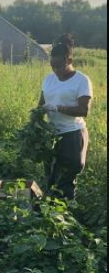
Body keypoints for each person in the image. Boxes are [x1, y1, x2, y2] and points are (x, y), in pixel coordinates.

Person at [38, 34, 93, 200]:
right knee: (51, 177)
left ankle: (65, 215)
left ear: (69, 60)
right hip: (51, 134)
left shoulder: (81, 80)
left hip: (72, 134)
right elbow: (40, 104)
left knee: (67, 178)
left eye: (59, 66)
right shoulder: (49, 79)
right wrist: (37, 117)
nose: (56, 70)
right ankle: (50, 213)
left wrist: (59, 108)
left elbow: (84, 110)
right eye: (52, 66)